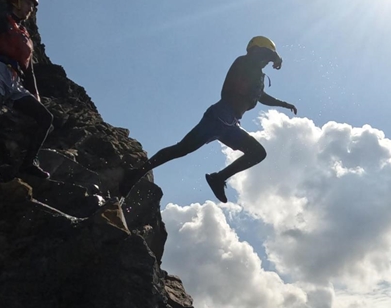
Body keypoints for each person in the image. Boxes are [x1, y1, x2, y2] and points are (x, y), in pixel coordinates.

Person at [121, 36, 297, 202]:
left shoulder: (256, 74)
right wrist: (276, 57)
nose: (267, 62)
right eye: (266, 56)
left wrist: (284, 104)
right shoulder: (244, 62)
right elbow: (259, 56)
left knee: (258, 153)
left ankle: (218, 178)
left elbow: (261, 96)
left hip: (230, 124)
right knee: (181, 149)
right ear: (257, 50)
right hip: (217, 117)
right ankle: (136, 174)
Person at [0, 0, 53, 181]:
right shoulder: (1, 16)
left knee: (45, 117)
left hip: (15, 79)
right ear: (17, 1)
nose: (30, 9)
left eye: (33, 6)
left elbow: (29, 68)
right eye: (28, 3)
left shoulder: (25, 34)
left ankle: (29, 163)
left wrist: (34, 93)